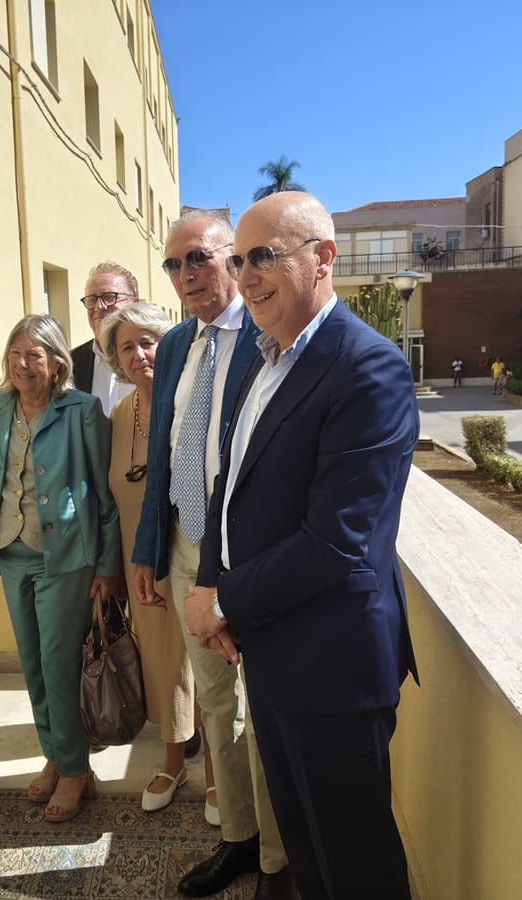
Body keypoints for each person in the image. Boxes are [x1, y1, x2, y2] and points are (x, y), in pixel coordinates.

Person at [186, 191, 420, 899]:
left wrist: (222, 600)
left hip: (333, 669)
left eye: (263, 255)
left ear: (324, 258)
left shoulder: (368, 368)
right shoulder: (267, 358)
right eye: (238, 260)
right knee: (310, 863)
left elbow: (336, 543)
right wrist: (210, 583)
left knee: (356, 871)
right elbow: (229, 487)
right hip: (272, 653)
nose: (246, 275)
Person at [133, 211, 291, 898]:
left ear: (234, 258)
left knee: (264, 707)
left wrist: (229, 575)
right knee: (217, 705)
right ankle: (238, 839)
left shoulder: (269, 335)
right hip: (184, 544)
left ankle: (277, 862)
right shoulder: (175, 345)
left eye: (197, 257)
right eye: (173, 264)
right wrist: (148, 548)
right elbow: (164, 457)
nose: (185, 275)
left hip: (247, 556)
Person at [0, 314, 121, 823]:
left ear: (57, 362)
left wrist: (107, 565)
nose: (23, 364)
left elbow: (104, 493)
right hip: (10, 551)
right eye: (15, 353)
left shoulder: (81, 410)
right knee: (33, 665)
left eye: (34, 355)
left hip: (65, 558)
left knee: (59, 666)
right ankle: (56, 755)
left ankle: (75, 768)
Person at [99, 300, 199, 813]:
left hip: (193, 555)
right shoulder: (118, 415)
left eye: (148, 341)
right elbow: (108, 500)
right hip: (140, 560)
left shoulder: (191, 400)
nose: (139, 354)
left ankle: (221, 773)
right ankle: (173, 761)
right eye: (127, 347)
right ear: (115, 359)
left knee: (204, 664)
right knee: (163, 665)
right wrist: (112, 569)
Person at [71, 262, 137, 413]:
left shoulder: (156, 359)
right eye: (92, 299)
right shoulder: (71, 365)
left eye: (109, 297)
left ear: (134, 303)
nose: (99, 306)